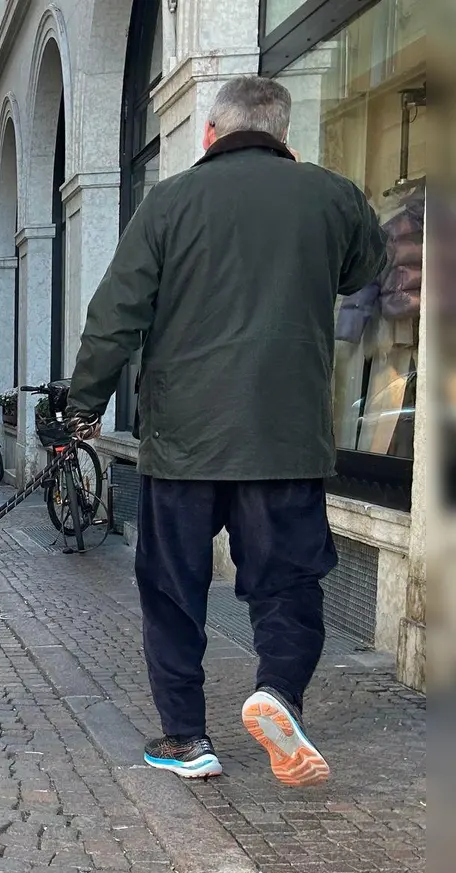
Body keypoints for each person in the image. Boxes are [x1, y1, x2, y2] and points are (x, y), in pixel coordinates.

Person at [67, 76, 387, 786]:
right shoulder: (331, 195)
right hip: (285, 439)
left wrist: (83, 406)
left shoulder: (169, 202)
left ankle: (186, 738)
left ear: (209, 134)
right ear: (283, 135)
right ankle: (278, 693)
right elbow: (367, 268)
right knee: (287, 584)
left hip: (183, 442)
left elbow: (114, 317)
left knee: (172, 591)